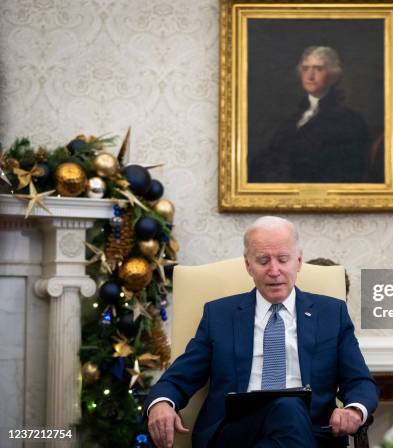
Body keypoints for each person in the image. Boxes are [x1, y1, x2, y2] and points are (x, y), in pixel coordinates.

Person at [145, 216, 378, 448]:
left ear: (298, 261)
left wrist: (354, 409)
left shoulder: (331, 313)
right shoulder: (219, 315)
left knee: (289, 407)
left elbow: (359, 381)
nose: (274, 270)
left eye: (283, 259)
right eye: (263, 260)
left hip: (311, 431)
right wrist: (161, 404)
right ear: (248, 265)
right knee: (287, 405)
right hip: (235, 432)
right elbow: (180, 377)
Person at [248, 46, 372, 183]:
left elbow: (344, 173)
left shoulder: (350, 121)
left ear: (333, 76)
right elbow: (266, 159)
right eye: (305, 68)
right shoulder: (292, 119)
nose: (310, 76)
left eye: (318, 69)